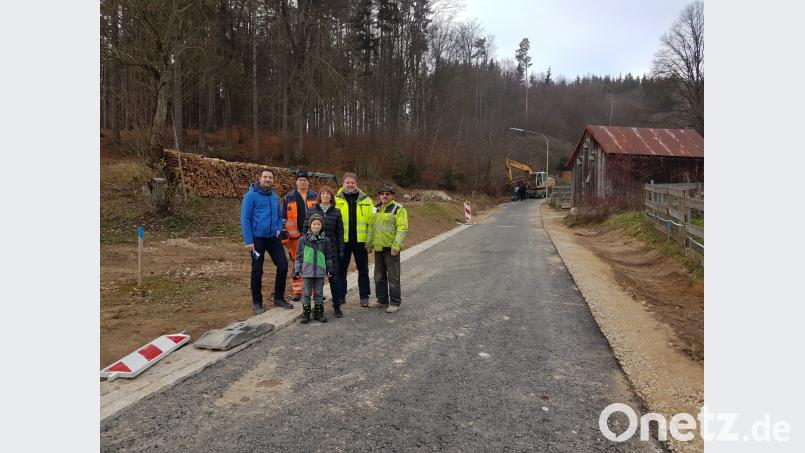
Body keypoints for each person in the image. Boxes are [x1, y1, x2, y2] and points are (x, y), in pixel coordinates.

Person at [240, 168, 294, 314]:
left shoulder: (274, 197)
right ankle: (257, 302)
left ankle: (279, 298)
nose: (267, 179)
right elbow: (245, 219)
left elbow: (279, 217)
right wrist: (248, 240)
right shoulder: (250, 196)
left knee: (283, 265)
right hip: (256, 239)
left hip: (272, 238)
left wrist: (278, 229)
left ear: (273, 180)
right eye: (265, 177)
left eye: (270, 177)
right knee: (257, 269)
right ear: (260, 178)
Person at [366, 183, 408, 313]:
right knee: (379, 276)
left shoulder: (398, 209)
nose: (384, 196)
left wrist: (396, 246)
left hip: (391, 249)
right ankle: (382, 300)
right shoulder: (375, 209)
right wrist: (369, 244)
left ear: (392, 196)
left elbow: (402, 228)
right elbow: (371, 227)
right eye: (382, 194)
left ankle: (395, 302)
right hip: (379, 248)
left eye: (387, 194)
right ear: (379, 195)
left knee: (393, 277)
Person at [334, 172, 374, 307]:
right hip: (342, 241)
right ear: (343, 184)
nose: (350, 185)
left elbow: (371, 223)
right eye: (347, 182)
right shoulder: (336, 200)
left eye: (352, 182)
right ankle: (340, 296)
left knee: (363, 270)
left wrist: (370, 241)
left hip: (360, 241)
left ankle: (364, 297)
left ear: (356, 184)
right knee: (341, 270)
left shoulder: (366, 200)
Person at [306, 186, 346, 318]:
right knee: (317, 280)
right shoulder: (311, 210)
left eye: (328, 194)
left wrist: (341, 249)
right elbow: (305, 229)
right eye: (323, 194)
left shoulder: (336, 212)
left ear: (331, 197)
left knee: (334, 279)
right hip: (316, 250)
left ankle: (337, 306)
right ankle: (318, 308)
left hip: (332, 250)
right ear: (319, 196)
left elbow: (340, 232)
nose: (325, 196)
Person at [282, 171, 319, 301]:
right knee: (297, 263)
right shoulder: (288, 197)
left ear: (308, 182)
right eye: (300, 180)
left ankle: (314, 290)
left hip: (313, 235)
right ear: (296, 182)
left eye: (304, 180)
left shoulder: (316, 196)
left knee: (313, 262)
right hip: (294, 237)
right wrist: (285, 238)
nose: (302, 182)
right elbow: (283, 218)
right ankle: (297, 290)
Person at [293, 214, 334, 323]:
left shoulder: (325, 241)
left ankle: (318, 312)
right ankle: (306, 313)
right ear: (310, 225)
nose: (316, 226)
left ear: (322, 226)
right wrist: (297, 270)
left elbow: (328, 257)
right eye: (314, 224)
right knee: (306, 293)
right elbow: (298, 256)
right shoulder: (303, 240)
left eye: (318, 224)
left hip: (320, 272)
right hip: (307, 271)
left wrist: (329, 269)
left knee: (319, 292)